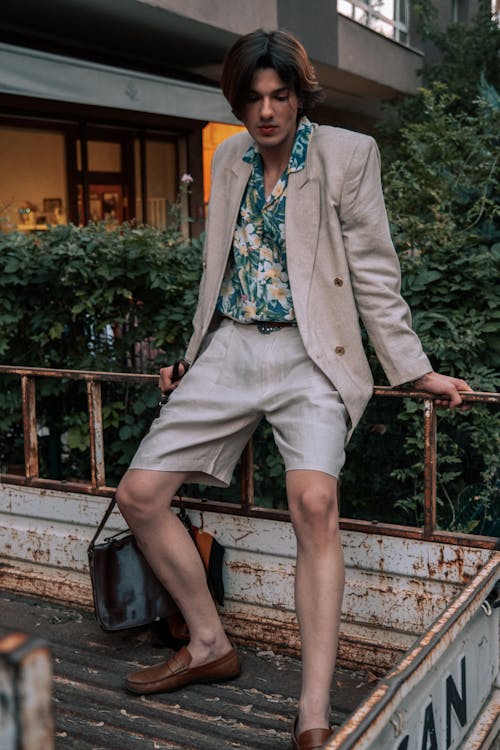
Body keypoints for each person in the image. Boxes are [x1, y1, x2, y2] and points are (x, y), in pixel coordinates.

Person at [115, 29, 471, 750]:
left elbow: (374, 270)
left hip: (314, 353)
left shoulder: (347, 155)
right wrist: (190, 356)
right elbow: (218, 271)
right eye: (253, 98)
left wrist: (412, 367)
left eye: (280, 97)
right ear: (238, 101)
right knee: (140, 496)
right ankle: (210, 641)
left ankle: (312, 714)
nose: (267, 112)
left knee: (314, 504)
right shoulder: (228, 156)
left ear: (300, 96)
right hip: (232, 347)